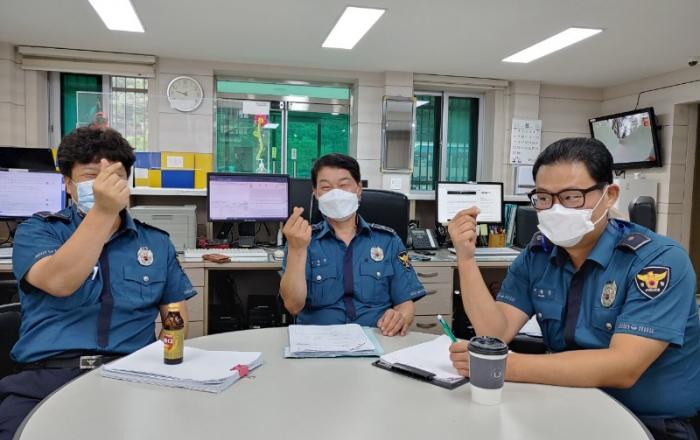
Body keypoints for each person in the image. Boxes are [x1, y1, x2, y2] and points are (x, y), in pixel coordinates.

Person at [448, 137, 700, 440]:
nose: (555, 210)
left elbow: (623, 366)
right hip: (565, 404)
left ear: (609, 195)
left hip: (650, 423)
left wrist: (502, 366)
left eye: (571, 197)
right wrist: (466, 257)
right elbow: (495, 331)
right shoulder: (538, 256)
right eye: (543, 198)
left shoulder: (657, 261)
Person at [0, 127, 196, 440]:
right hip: (47, 379)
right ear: (68, 183)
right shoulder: (39, 231)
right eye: (91, 176)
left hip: (131, 374)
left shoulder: (156, 243)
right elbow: (59, 281)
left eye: (114, 176)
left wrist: (161, 361)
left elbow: (175, 315)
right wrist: (104, 211)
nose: (103, 185)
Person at [280, 153, 426, 336]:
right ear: (315, 193)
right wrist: (297, 250)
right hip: (318, 341)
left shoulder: (388, 241)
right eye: (326, 187)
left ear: (359, 189)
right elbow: (293, 306)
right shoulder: (302, 240)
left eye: (343, 185)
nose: (335, 193)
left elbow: (405, 303)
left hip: (377, 338)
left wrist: (400, 317)